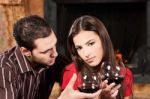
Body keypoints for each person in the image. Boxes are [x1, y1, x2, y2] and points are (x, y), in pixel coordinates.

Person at [0, 15, 102, 99]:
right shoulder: (5, 70)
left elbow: (79, 74)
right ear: (26, 51)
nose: (55, 54)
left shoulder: (54, 59)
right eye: (46, 51)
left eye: (54, 45)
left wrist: (101, 91)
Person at [61, 15, 133, 99]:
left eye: (91, 43)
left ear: (103, 40)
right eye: (79, 48)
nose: (86, 54)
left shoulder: (124, 73)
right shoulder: (72, 73)